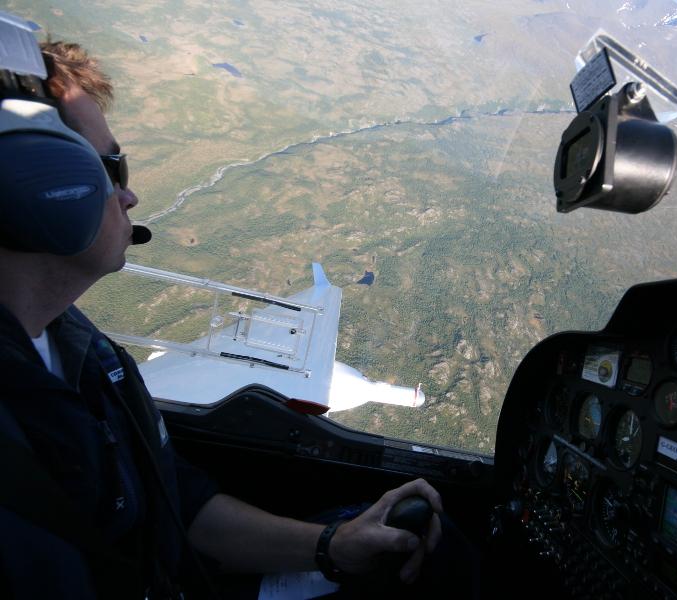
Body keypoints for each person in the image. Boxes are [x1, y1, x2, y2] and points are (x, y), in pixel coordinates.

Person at [0, 36, 454, 599]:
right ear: (42, 187)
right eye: (111, 167)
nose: (131, 194)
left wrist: (331, 545)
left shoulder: (79, 346)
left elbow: (179, 503)